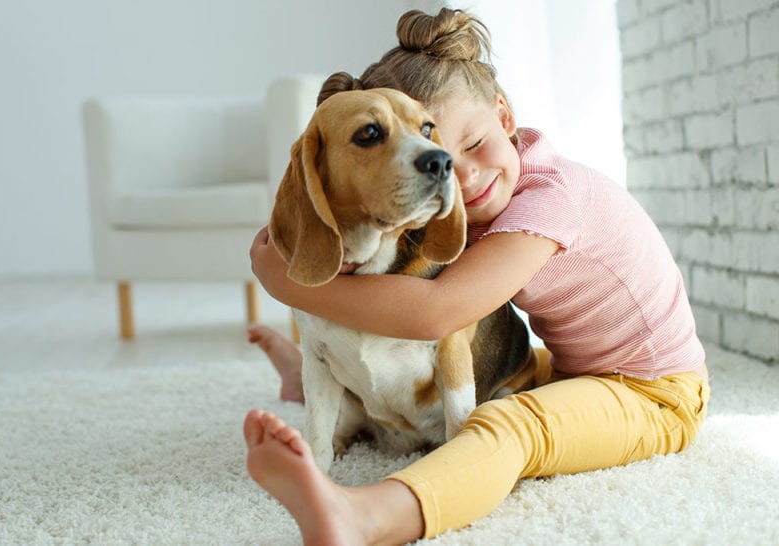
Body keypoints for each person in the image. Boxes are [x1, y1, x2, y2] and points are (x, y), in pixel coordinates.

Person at [244, 7, 710, 545]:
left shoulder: (552, 201)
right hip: (568, 371)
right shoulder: (485, 201)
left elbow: (435, 312)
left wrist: (290, 284)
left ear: (505, 117)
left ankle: (368, 515)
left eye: (472, 145)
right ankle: (309, 372)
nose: (461, 175)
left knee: (509, 426)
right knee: (475, 374)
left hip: (656, 396)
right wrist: (315, 265)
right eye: (440, 155)